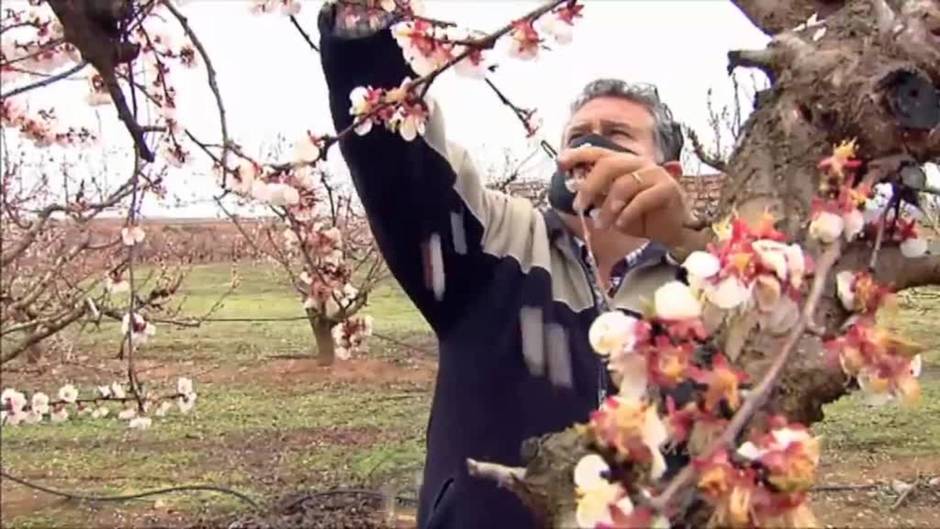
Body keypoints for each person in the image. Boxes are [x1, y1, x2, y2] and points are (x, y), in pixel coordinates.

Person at [317, 3, 709, 528]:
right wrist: (366, 30)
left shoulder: (707, 282)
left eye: (615, 135)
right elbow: (402, 162)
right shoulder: (497, 242)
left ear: (669, 172)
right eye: (577, 136)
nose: (590, 148)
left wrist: (686, 238)